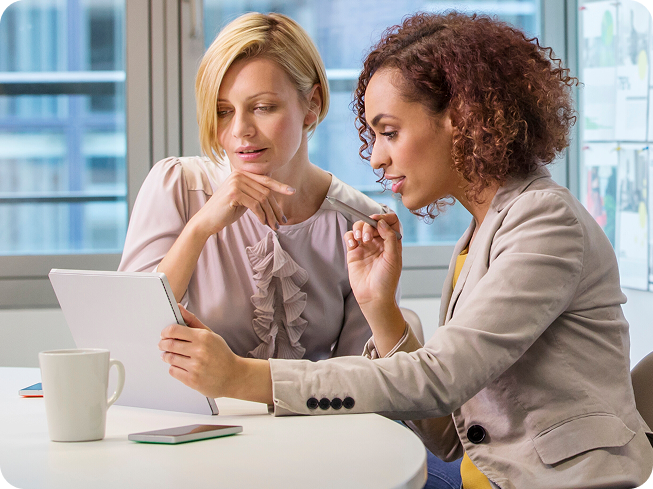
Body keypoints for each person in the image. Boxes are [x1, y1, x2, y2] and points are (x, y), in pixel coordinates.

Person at [158, 11, 653, 489]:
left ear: (461, 119)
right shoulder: (482, 232)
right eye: (374, 135)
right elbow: (445, 434)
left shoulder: (546, 221)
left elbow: (438, 380)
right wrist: (382, 309)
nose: (375, 157)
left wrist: (242, 377)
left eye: (390, 132)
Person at [119, 12, 393, 361]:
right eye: (222, 111)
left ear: (312, 104)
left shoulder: (360, 223)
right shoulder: (177, 187)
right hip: (198, 415)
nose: (240, 131)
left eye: (262, 107)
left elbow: (367, 383)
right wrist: (200, 228)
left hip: (319, 417)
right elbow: (127, 337)